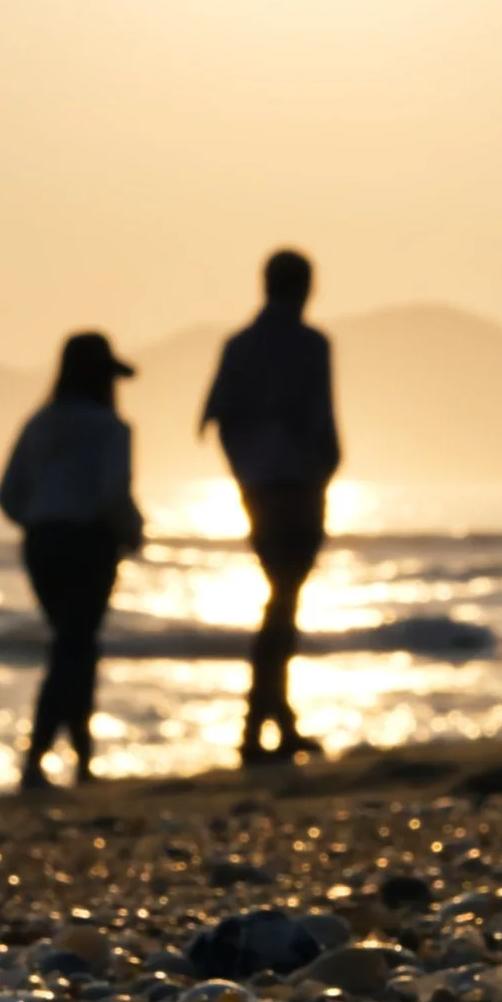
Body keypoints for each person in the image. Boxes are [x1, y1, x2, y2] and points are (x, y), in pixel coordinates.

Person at [199, 247, 340, 767]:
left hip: (259, 485)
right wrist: (324, 468)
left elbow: (215, 419)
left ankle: (274, 722)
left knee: (282, 600)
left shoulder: (239, 345)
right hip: (298, 483)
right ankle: (258, 729)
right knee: (283, 602)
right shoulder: (310, 345)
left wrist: (243, 475)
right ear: (304, 287)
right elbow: (324, 418)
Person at [0, 330, 144, 792]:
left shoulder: (38, 423)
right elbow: (112, 493)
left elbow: (7, 494)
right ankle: (40, 759)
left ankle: (78, 759)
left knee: (73, 645)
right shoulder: (109, 428)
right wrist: (131, 532)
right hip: (89, 542)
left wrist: (41, 520)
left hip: (42, 543)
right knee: (75, 647)